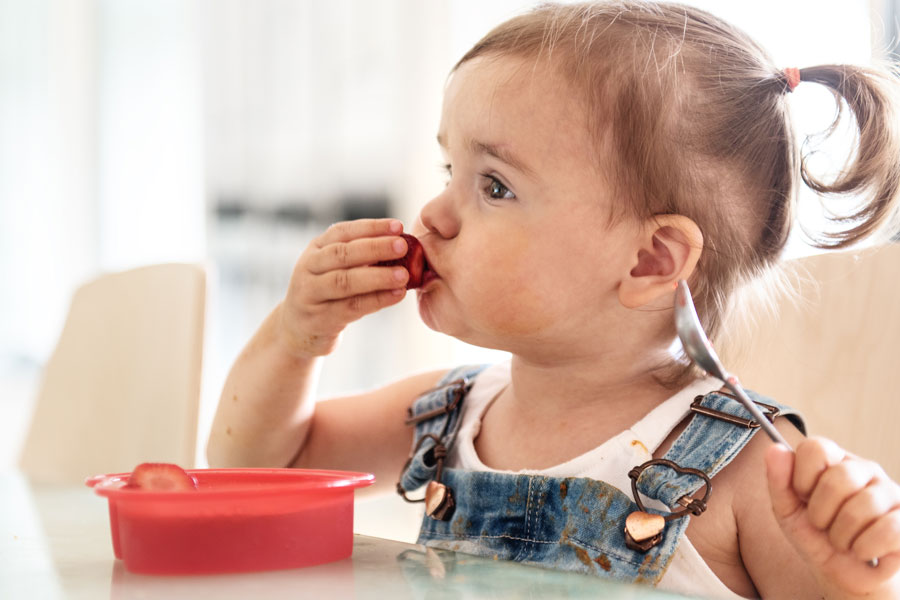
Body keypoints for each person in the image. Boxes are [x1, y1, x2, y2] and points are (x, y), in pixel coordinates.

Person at [207, 2, 900, 598]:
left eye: (496, 186)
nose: (433, 214)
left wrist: (855, 581)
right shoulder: (448, 414)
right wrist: (295, 337)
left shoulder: (749, 469)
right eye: (453, 170)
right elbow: (258, 473)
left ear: (649, 261)